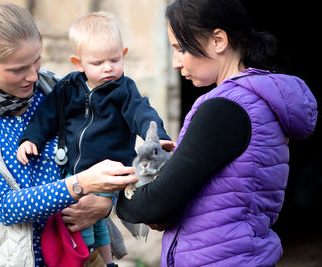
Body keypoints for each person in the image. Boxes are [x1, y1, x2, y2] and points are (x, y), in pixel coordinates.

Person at [0, 1, 136, 267]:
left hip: (76, 253)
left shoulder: (58, 90)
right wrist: (78, 185)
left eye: (36, 61)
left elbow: (104, 148)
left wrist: (104, 201)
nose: (32, 76)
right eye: (17, 69)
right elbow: (3, 206)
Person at [116, 0, 318, 266]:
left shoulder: (225, 109)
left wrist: (116, 195)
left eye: (181, 48)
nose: (176, 63)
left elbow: (155, 203)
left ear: (219, 40)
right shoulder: (256, 101)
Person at [16, 11, 174, 266]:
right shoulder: (67, 88)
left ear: (123, 55)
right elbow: (46, 115)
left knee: (91, 219)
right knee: (90, 222)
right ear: (78, 63)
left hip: (110, 172)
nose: (108, 68)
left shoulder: (124, 89)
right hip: (72, 173)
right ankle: (102, 261)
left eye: (114, 59)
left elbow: (142, 114)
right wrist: (30, 138)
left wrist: (157, 138)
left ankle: (95, 260)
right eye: (98, 63)